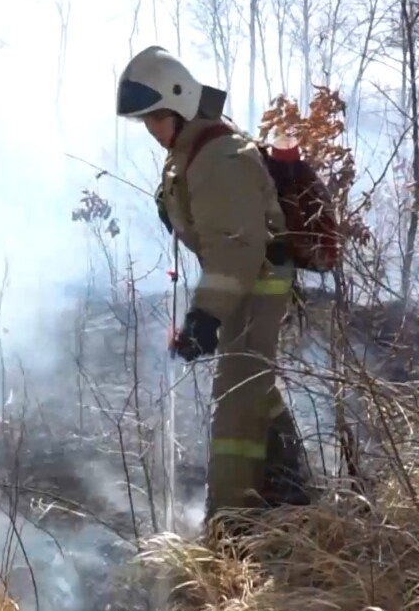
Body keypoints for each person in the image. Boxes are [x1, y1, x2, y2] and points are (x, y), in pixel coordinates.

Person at [115, 46, 311, 529]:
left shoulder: (218, 155)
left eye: (155, 119)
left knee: (235, 409)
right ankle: (295, 486)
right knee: (252, 390)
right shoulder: (194, 152)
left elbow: (238, 249)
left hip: (256, 283)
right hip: (246, 281)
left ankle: (231, 528)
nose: (151, 131)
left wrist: (205, 316)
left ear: (180, 106)